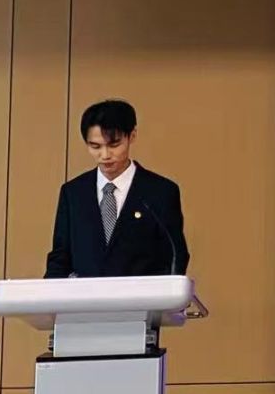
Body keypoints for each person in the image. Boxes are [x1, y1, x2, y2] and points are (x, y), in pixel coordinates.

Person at [45, 99, 190, 278]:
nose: (105, 155)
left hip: (142, 295)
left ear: (132, 136)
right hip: (85, 295)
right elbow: (60, 258)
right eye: (95, 146)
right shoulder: (73, 193)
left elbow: (175, 255)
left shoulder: (160, 192)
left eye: (114, 145)